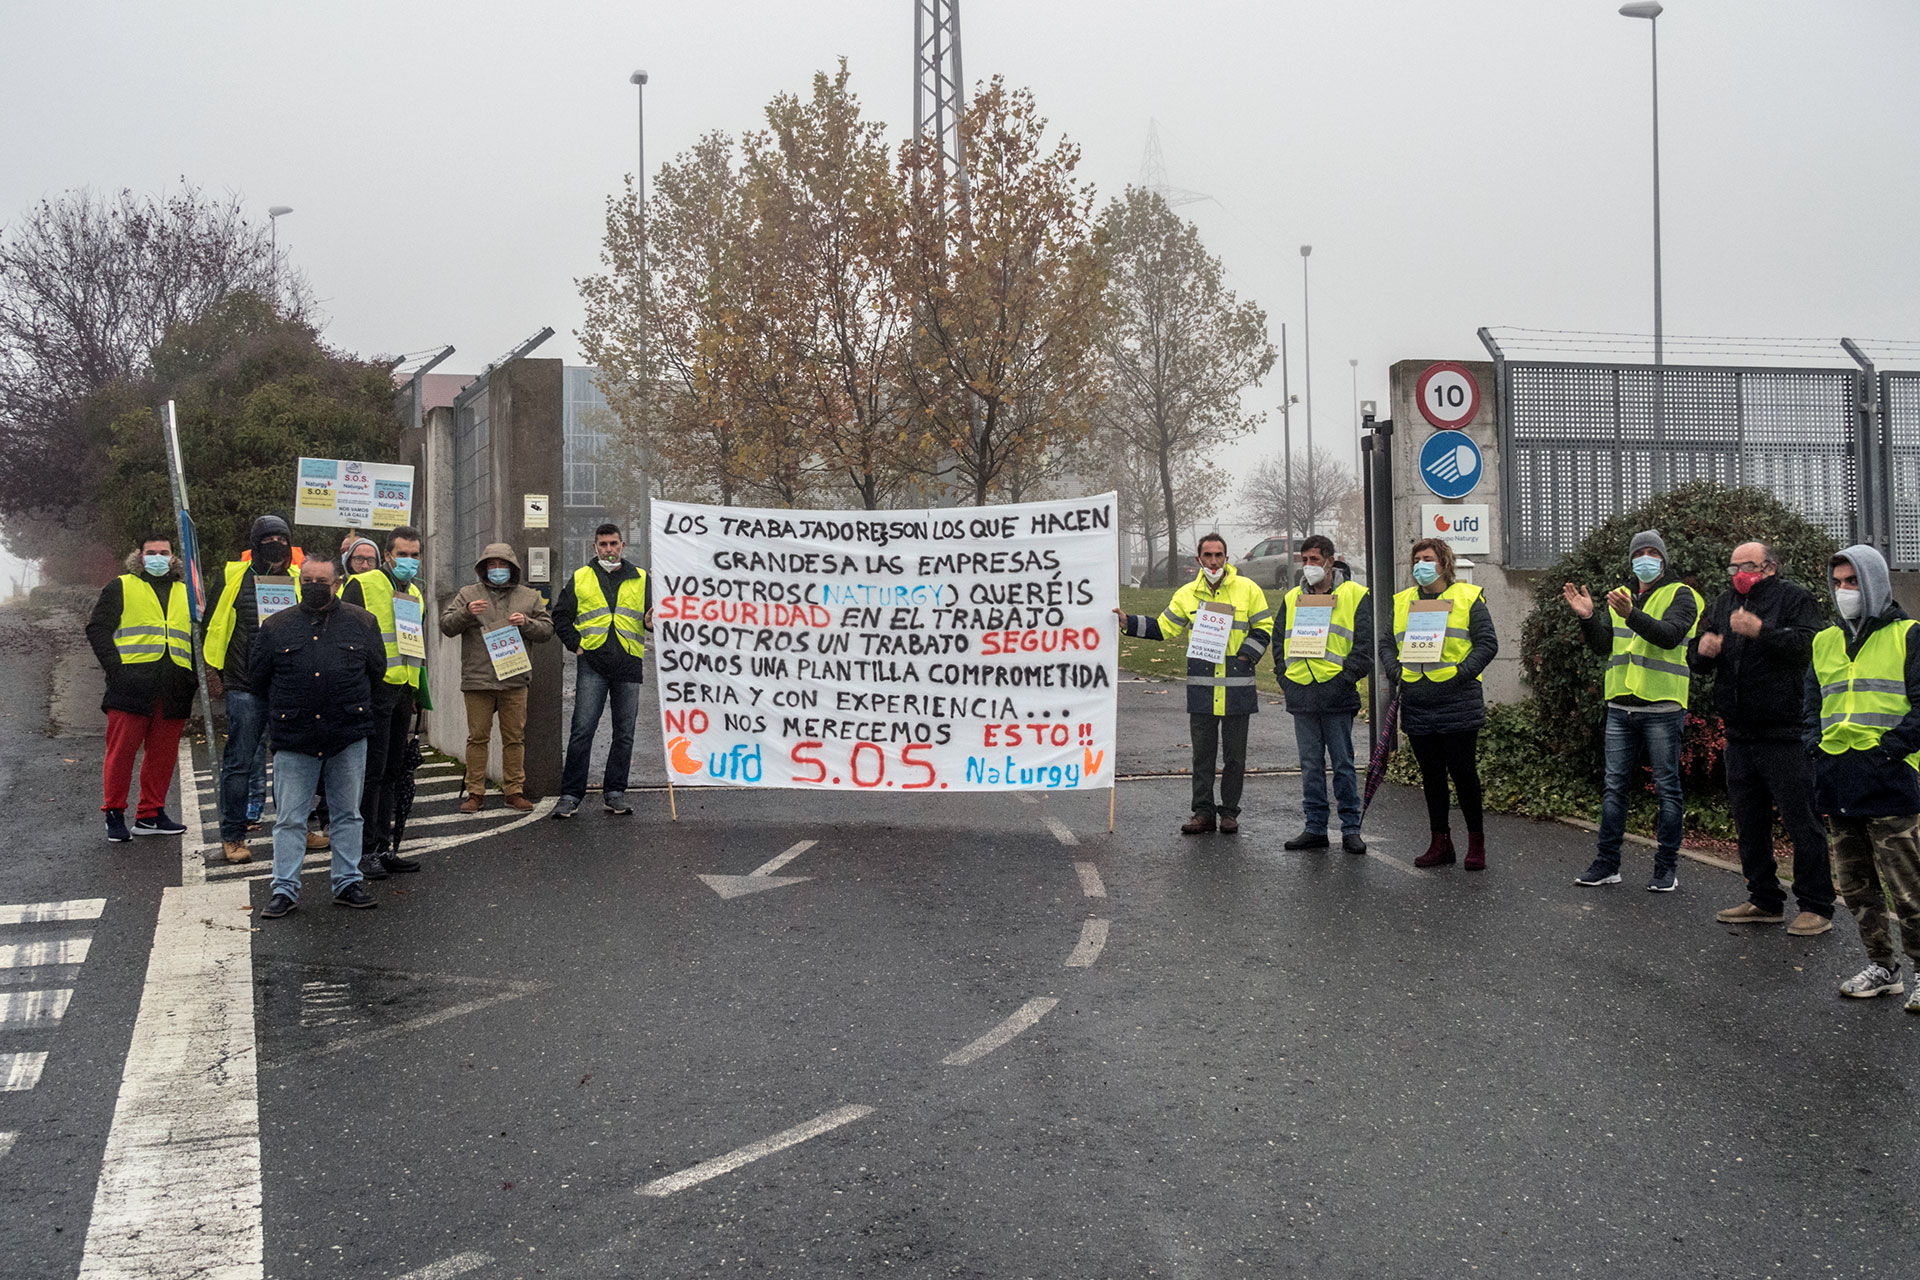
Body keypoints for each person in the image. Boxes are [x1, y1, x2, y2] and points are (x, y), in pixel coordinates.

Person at [1689, 541, 1835, 936]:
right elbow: (1698, 659)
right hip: (1739, 733)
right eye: (1733, 566)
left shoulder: (1794, 598)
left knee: (1800, 820)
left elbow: (1809, 648)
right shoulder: (1723, 603)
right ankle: (1764, 898)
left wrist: (1761, 632)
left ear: (1769, 567)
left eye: (1747, 565)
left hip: (1784, 733)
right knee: (1749, 822)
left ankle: (1816, 905)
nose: (1739, 574)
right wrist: (1702, 651)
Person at [1804, 546, 1920, 1007]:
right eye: (1838, 583)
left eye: (1852, 581)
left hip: (1889, 780)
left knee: (1908, 887)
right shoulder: (1824, 641)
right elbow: (1812, 705)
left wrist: (1889, 751)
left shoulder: (1909, 636)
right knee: (1856, 887)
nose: (1844, 591)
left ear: (1873, 583)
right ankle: (1883, 966)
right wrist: (1813, 745)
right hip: (1837, 778)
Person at [1564, 529, 1702, 892]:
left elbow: (1669, 635)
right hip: (1621, 705)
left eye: (1651, 553)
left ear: (1663, 559)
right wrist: (1588, 617)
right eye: (1638, 553)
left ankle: (1665, 869)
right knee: (1614, 788)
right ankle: (1607, 864)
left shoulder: (1682, 595)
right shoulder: (1620, 597)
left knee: (1667, 788)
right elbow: (1604, 645)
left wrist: (1632, 613)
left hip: (1662, 706)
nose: (1644, 558)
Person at [251, 558, 385, 918]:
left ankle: (347, 883)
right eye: (306, 579)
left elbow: (377, 671)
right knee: (290, 819)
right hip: (295, 737)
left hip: (347, 734)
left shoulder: (362, 622)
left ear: (337, 583)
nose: (313, 585)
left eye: (321, 580)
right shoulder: (276, 626)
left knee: (347, 815)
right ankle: (284, 890)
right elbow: (257, 678)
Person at [1114, 533, 1271, 834]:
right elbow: (1164, 627)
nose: (1214, 561)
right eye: (1208, 555)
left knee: (1235, 756)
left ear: (1227, 558)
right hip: (1203, 687)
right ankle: (1203, 812)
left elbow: (1265, 627)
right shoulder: (1187, 594)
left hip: (1238, 686)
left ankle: (1229, 813)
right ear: (1199, 558)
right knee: (1203, 755)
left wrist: (1246, 655)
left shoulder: (1248, 590)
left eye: (1219, 555)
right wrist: (1129, 623)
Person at [1380, 538, 1498, 869]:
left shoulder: (1467, 598)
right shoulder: (1403, 601)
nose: (1421, 564)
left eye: (1428, 558)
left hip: (1457, 700)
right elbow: (1387, 643)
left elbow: (1487, 644)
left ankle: (1477, 844)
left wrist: (1462, 674)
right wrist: (1394, 670)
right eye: (1416, 558)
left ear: (1444, 563)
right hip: (1418, 700)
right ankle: (1440, 842)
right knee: (1431, 777)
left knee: (1463, 774)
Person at [203, 514, 309, 864]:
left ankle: (298, 828)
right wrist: (212, 672)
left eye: (282, 537)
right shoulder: (234, 576)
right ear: (255, 542)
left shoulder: (298, 579)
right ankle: (232, 835)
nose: (275, 543)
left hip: (287, 683)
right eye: (268, 538)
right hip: (244, 683)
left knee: (294, 761)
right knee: (240, 761)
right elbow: (211, 624)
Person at [84, 535, 194, 843]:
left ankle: (150, 814)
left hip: (174, 686)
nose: (158, 557)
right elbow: (98, 629)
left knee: (163, 755)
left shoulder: (187, 593)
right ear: (140, 556)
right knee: (121, 754)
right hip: (130, 686)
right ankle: (114, 813)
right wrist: (116, 670)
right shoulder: (121, 586)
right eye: (151, 553)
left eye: (164, 552)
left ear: (173, 557)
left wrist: (194, 678)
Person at [340, 526, 428, 879]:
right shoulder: (362, 585)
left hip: (403, 690)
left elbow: (416, 645)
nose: (409, 561)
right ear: (388, 554)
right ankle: (363, 851)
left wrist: (420, 694)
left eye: (415, 555)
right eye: (402, 554)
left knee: (393, 771)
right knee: (371, 775)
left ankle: (384, 846)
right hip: (373, 691)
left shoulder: (416, 593)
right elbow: (346, 640)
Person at [1276, 534, 1372, 854]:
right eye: (1304, 560)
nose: (1308, 566)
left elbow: (1363, 647)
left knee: (1343, 764)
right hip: (1302, 692)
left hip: (1337, 694)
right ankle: (1315, 827)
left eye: (1314, 560)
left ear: (1330, 561)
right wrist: (1286, 680)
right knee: (1310, 765)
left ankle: (1350, 828)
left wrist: (1344, 679)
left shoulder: (1355, 595)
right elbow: (1280, 644)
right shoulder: (1292, 598)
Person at [440, 543, 553, 811]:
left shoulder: (529, 596)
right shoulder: (468, 594)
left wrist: (527, 623)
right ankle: (474, 792)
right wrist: (468, 612)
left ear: (512, 568)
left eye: (502, 565)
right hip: (478, 679)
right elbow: (446, 626)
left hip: (514, 679)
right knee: (477, 737)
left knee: (514, 738)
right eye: (492, 565)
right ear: (483, 568)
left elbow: (547, 630)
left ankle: (514, 790)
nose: (497, 570)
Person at [552, 523, 651, 819]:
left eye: (613, 543)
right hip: (592, 663)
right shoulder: (581, 577)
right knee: (582, 731)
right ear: (595, 547)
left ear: (622, 545)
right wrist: (576, 645)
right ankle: (570, 795)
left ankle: (615, 793)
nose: (608, 549)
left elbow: (651, 617)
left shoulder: (642, 578)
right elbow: (560, 616)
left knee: (625, 733)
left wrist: (650, 621)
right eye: (603, 544)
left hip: (628, 663)